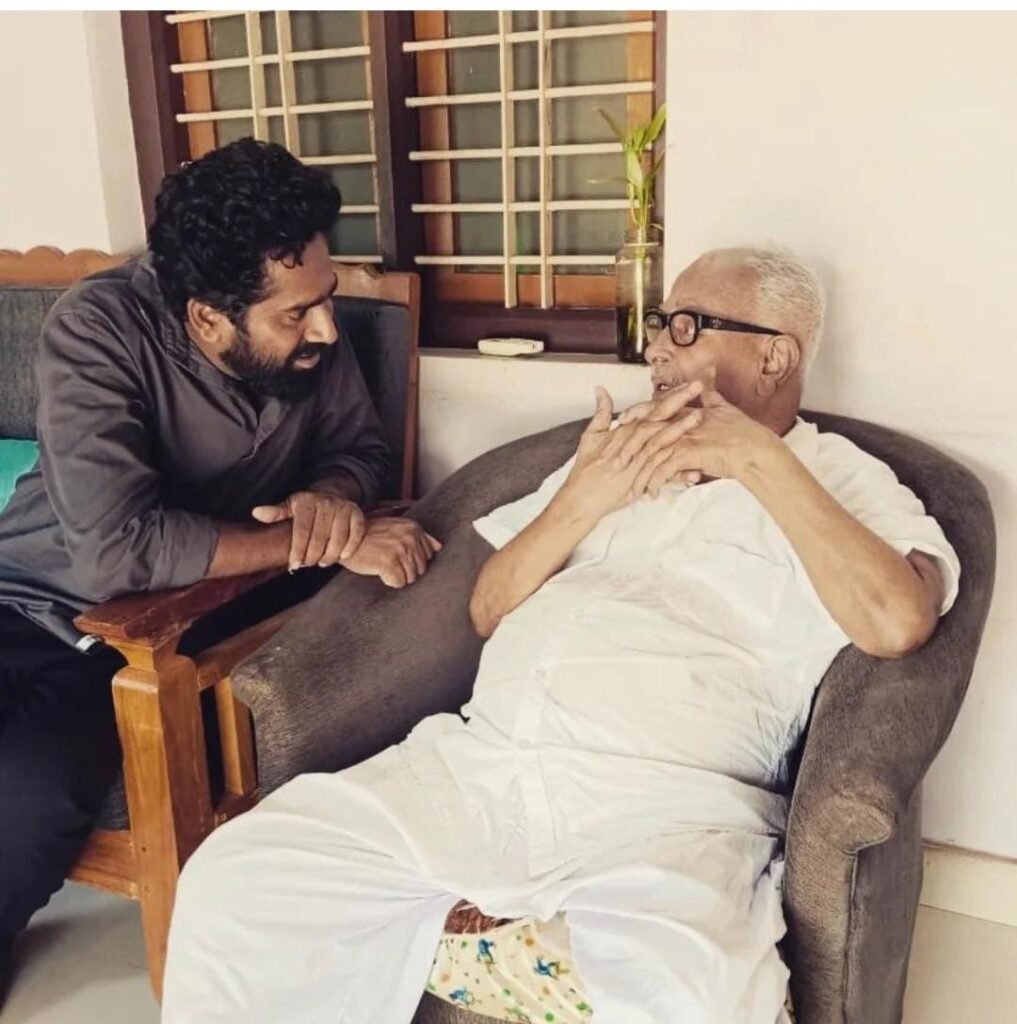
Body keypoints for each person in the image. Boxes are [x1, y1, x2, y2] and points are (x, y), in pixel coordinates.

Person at [160, 247, 959, 1024]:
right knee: (240, 876)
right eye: (658, 324)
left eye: (686, 326)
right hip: (479, 765)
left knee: (692, 993)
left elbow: (896, 623)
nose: (655, 347)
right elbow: (487, 607)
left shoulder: (845, 477)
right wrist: (587, 494)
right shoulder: (613, 452)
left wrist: (756, 461)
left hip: (669, 807)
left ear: (775, 356)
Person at [0, 137, 438, 1005]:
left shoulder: (311, 331)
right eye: (296, 315)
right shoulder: (97, 329)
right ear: (206, 318)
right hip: (26, 594)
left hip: (132, 638)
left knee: (30, 782)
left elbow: (360, 450)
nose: (326, 329)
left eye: (326, 298)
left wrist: (331, 502)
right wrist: (317, 542)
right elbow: (114, 547)